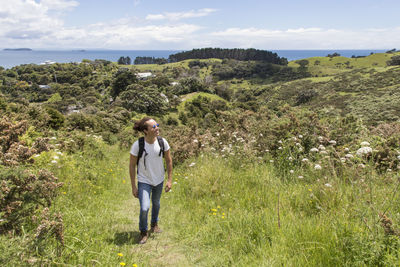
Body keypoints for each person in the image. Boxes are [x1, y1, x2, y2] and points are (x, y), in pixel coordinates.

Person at [129, 117, 173, 244]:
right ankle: (143, 231)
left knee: (156, 203)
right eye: (153, 127)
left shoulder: (162, 142)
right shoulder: (138, 145)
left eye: (157, 125)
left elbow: (169, 161)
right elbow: (132, 165)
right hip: (144, 181)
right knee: (144, 207)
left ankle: (154, 225)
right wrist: (133, 186)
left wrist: (169, 180)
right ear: (145, 131)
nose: (157, 128)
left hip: (159, 180)